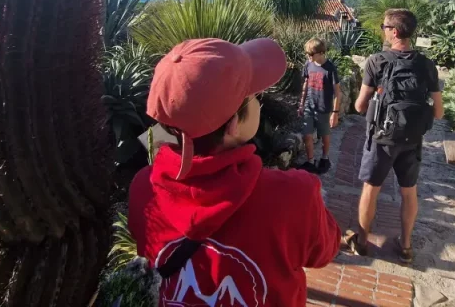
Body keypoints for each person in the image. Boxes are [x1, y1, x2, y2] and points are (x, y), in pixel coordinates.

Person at [128, 38, 341, 306]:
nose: (258, 103)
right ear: (231, 125)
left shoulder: (144, 189)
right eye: (254, 97)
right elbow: (324, 251)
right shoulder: (294, 194)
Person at [342, 8, 442, 264]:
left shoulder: (377, 61)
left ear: (394, 32)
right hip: (412, 140)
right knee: (409, 193)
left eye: (384, 27)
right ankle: (406, 247)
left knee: (371, 189)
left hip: (382, 139)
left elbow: (359, 106)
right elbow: (439, 112)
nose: (382, 31)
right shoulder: (426, 64)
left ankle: (362, 242)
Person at [297, 37, 341, 174]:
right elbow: (305, 85)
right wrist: (301, 104)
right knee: (307, 135)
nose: (308, 56)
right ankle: (310, 161)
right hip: (309, 106)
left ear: (321, 53)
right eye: (307, 54)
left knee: (325, 136)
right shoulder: (308, 65)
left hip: (323, 108)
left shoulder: (330, 69)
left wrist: (335, 113)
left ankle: (325, 158)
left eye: (311, 54)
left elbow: (338, 93)